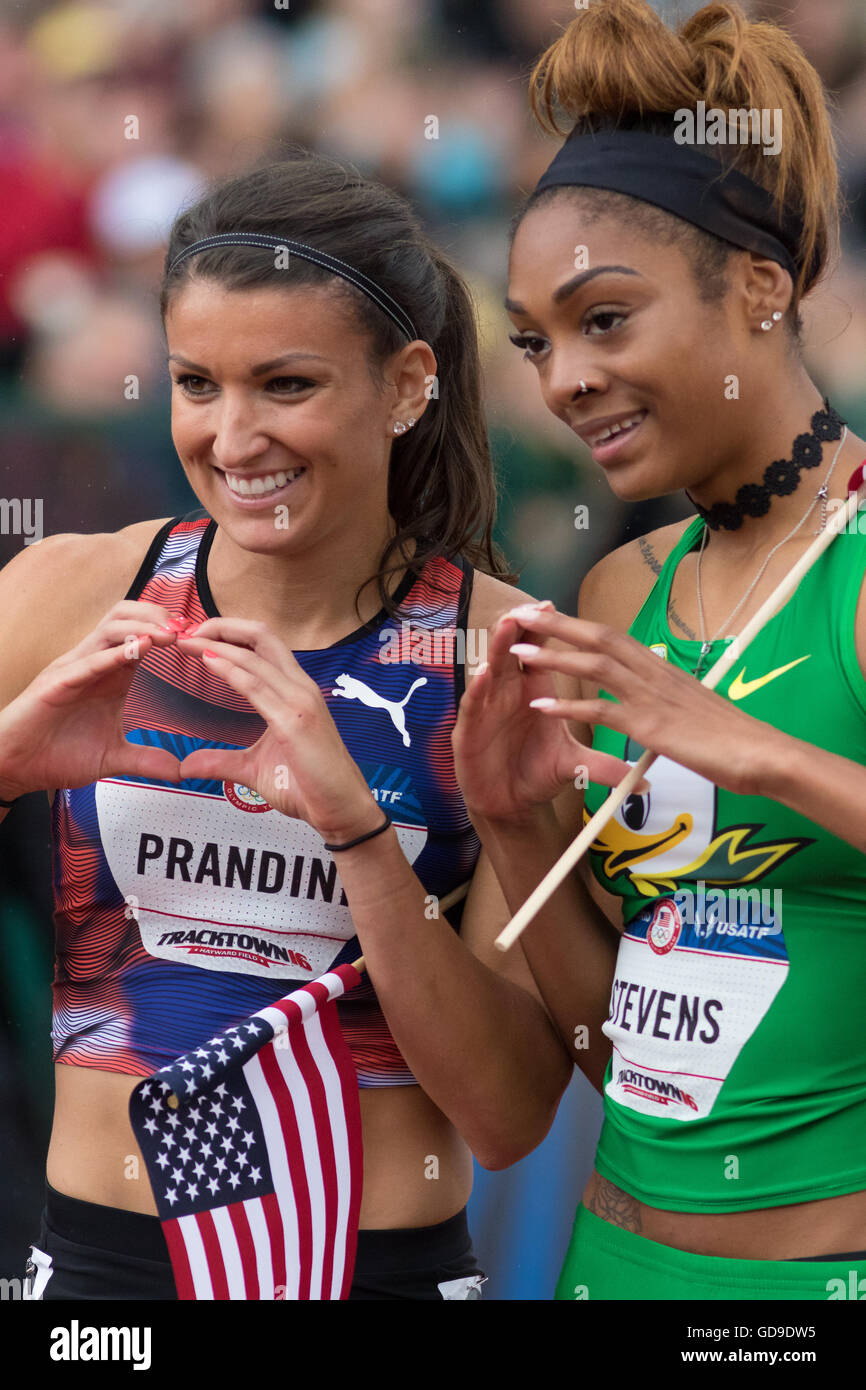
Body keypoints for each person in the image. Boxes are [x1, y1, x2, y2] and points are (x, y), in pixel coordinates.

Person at [0, 152, 601, 1300]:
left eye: (285, 385)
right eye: (195, 384)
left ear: (406, 384)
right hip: (102, 1267)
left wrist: (359, 836)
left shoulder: (505, 653)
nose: (233, 440)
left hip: (372, 1268)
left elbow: (510, 1111)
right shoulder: (69, 594)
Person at [453, 0, 866, 1299]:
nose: (562, 378)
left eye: (603, 319)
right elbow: (609, 1055)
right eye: (535, 340)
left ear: (757, 288)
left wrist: (760, 754)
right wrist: (517, 830)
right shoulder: (620, 586)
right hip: (605, 1261)